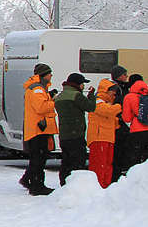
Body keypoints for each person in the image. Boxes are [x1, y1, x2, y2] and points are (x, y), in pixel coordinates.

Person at [53, 73, 96, 186]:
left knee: (66, 163)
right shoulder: (76, 96)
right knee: (78, 163)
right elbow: (90, 107)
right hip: (76, 135)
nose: (83, 86)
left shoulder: (60, 97)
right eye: (82, 83)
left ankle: (64, 185)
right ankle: (75, 187)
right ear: (77, 84)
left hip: (64, 136)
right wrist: (91, 95)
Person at [22, 64, 57, 196]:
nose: (51, 76)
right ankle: (37, 186)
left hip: (36, 129)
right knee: (39, 159)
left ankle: (28, 180)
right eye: (50, 73)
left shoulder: (38, 88)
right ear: (45, 74)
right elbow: (41, 108)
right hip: (38, 129)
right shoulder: (37, 88)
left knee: (36, 158)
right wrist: (54, 102)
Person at [86, 78, 121, 188]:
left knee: (107, 165)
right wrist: (119, 106)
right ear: (106, 90)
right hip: (98, 138)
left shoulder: (108, 103)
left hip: (107, 138)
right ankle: (98, 188)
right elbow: (108, 112)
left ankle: (105, 186)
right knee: (99, 166)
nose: (114, 93)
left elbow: (112, 120)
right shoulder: (97, 101)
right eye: (112, 90)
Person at [120, 75, 148, 171]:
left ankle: (131, 175)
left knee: (134, 155)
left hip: (137, 131)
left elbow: (126, 118)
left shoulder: (129, 97)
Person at [109, 65, 132, 181]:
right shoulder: (117, 89)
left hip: (120, 125)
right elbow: (117, 106)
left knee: (120, 152)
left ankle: (117, 175)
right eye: (124, 74)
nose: (126, 76)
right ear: (119, 76)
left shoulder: (121, 88)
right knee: (118, 152)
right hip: (119, 126)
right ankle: (116, 176)